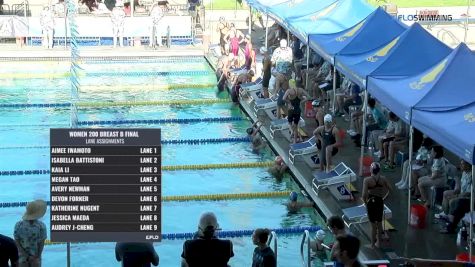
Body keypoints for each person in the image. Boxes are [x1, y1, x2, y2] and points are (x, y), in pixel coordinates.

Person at [362, 162, 391, 248]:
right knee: (379, 223)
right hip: (379, 201)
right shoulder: (383, 179)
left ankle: (372, 245)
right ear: (379, 170)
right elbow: (391, 190)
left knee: (373, 226)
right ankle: (379, 243)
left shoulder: (367, 180)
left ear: (371, 170)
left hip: (371, 202)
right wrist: (384, 198)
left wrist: (365, 202)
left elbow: (364, 195)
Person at [14, 200, 47, 267]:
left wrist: (26, 256)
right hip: (35, 257)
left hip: (22, 258)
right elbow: (41, 244)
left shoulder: (18, 225)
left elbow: (17, 242)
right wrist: (37, 257)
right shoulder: (41, 226)